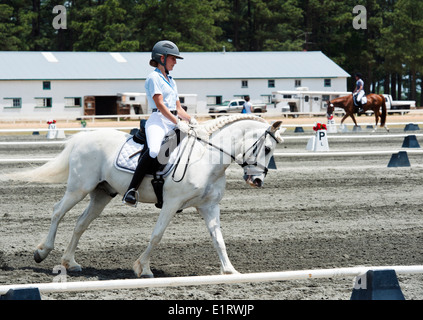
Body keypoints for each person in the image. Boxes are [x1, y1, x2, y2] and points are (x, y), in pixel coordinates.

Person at [122, 40, 196, 207]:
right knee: (155, 151)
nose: (175, 62)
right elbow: (161, 105)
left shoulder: (171, 80)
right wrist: (178, 122)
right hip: (158, 121)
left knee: (186, 148)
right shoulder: (153, 77)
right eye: (173, 58)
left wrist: (191, 120)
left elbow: (178, 107)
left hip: (173, 121)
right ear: (162, 58)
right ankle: (131, 190)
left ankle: (173, 191)